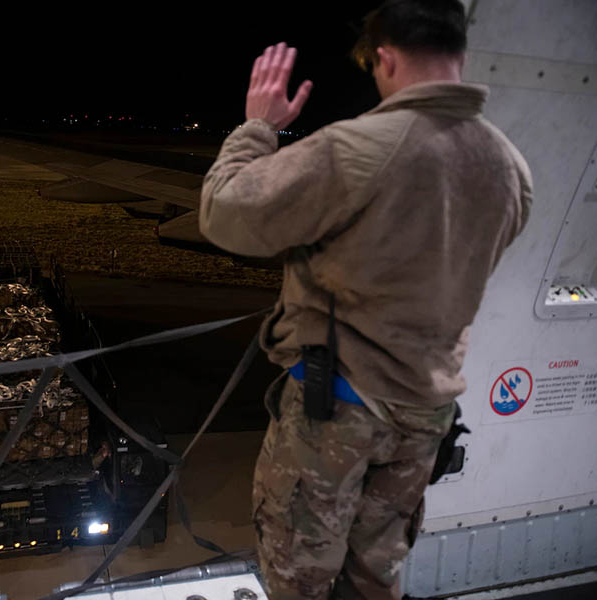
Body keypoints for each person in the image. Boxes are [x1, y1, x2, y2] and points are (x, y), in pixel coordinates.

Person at [198, 1, 532, 599]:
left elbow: (225, 214)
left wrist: (258, 127)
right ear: (460, 54)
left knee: (300, 575)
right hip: (424, 414)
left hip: (338, 412)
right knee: (377, 576)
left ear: (383, 58)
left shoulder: (357, 148)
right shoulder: (509, 168)